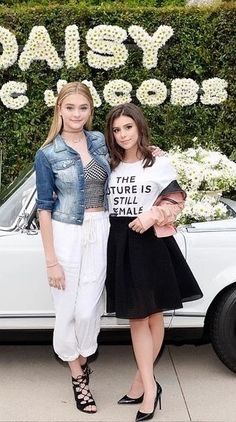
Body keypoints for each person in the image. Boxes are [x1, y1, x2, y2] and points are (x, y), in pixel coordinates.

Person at [105, 103, 203, 422]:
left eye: (128, 128)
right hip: (119, 240)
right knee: (139, 317)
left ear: (139, 127)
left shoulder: (157, 161)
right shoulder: (109, 163)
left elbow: (176, 201)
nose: (123, 135)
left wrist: (152, 215)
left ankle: (146, 387)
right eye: (117, 129)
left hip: (149, 241)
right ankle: (145, 383)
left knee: (150, 315)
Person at [35, 82, 111, 414]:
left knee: (87, 311)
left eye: (83, 108)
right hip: (66, 233)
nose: (76, 114)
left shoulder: (100, 142)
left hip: (102, 230)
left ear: (90, 111)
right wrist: (51, 261)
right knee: (67, 311)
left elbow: (128, 165)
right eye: (70, 108)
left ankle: (81, 358)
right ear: (59, 110)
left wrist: (154, 154)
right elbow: (44, 208)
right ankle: (78, 375)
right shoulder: (48, 153)